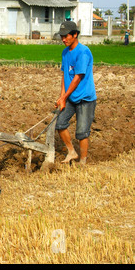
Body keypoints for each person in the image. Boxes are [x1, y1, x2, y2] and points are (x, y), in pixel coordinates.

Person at [55, 21, 97, 165]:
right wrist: (62, 97)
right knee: (60, 124)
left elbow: (77, 78)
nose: (63, 39)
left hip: (85, 98)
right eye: (62, 37)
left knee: (82, 132)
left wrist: (65, 97)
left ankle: (83, 162)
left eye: (66, 36)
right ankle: (71, 152)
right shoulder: (65, 53)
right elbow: (65, 76)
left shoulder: (83, 52)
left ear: (75, 35)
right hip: (71, 98)